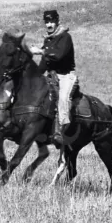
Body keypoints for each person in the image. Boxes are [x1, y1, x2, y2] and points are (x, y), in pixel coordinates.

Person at [30, 9, 77, 148]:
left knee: (63, 99)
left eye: (52, 21)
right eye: (47, 22)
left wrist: (40, 51)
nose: (49, 25)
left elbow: (58, 55)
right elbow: (45, 62)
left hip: (65, 76)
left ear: (57, 21)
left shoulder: (65, 37)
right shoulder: (48, 39)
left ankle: (61, 132)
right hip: (51, 76)